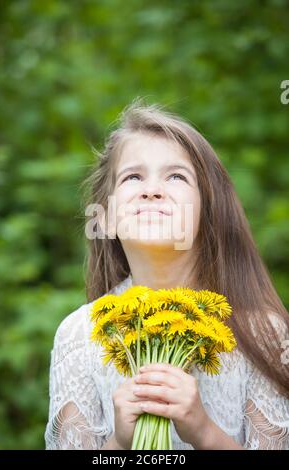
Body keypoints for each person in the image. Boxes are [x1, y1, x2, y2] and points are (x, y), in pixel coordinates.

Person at [44, 98, 289, 450]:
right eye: (132, 177)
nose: (152, 189)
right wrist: (119, 442)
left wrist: (204, 432)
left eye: (176, 176)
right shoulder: (79, 337)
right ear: (105, 218)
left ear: (208, 213)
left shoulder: (262, 334)